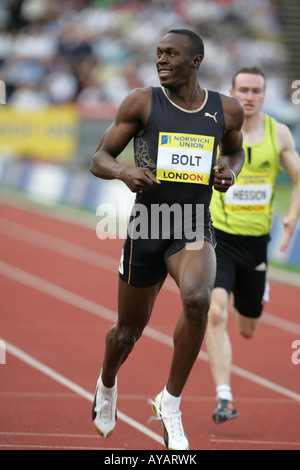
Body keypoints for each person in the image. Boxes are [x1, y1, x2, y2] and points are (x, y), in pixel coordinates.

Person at [90, 29, 245, 450]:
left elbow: (236, 151)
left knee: (198, 300)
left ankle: (170, 403)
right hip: (149, 227)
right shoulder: (142, 102)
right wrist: (124, 172)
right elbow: (99, 157)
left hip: (193, 223)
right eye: (158, 53)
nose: (161, 60)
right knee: (127, 332)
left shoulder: (226, 110)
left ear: (195, 61)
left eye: (170, 54)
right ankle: (107, 384)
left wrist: (229, 172)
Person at [206, 66, 300, 425]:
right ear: (231, 92)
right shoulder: (219, 130)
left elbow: (298, 176)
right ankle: (224, 397)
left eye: (255, 91)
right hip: (219, 236)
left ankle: (259, 292)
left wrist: (292, 214)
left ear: (264, 95)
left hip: (256, 242)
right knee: (215, 310)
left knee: (247, 328)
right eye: (242, 89)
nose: (248, 96)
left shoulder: (280, 134)